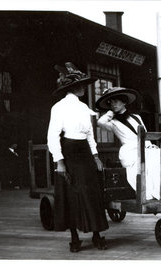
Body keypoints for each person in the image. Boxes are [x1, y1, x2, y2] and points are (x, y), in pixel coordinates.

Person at [47, 62, 109, 253]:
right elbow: (52, 135)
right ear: (73, 87)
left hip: (84, 151)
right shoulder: (59, 107)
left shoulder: (83, 107)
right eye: (81, 85)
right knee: (71, 193)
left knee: (92, 192)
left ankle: (97, 234)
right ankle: (75, 238)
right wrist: (60, 161)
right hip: (69, 151)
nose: (83, 88)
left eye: (83, 85)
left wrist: (96, 156)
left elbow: (90, 134)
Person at [95, 87, 161, 200]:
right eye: (111, 103)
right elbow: (100, 122)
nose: (113, 104)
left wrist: (149, 145)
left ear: (124, 102)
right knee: (155, 157)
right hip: (129, 151)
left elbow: (144, 134)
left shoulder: (137, 117)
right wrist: (110, 113)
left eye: (116, 101)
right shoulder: (112, 122)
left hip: (144, 146)